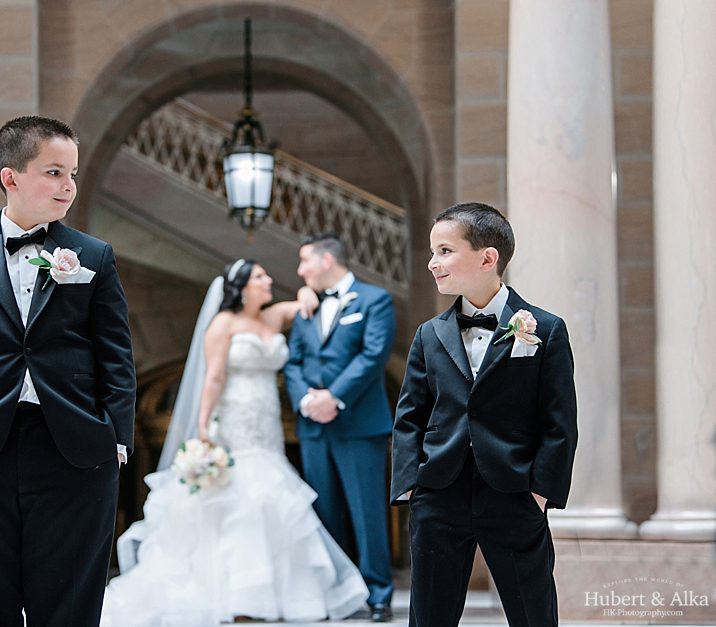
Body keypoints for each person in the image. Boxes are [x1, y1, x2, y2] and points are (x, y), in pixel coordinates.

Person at [0, 116, 136, 626]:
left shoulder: (93, 256)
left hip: (74, 448)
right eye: (54, 172)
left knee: (71, 601)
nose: (69, 186)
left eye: (73, 174)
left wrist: (115, 436)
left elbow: (116, 356)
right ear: (10, 177)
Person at [102, 259, 369, 626]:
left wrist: (307, 290)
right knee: (240, 499)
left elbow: (305, 303)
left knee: (272, 495)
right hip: (233, 417)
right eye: (261, 276)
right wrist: (202, 427)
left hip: (267, 420)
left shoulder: (273, 317)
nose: (269, 280)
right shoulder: (223, 323)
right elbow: (212, 377)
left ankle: (280, 594)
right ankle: (236, 594)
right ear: (242, 286)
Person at [391, 202, 577, 627]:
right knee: (430, 616)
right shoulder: (429, 334)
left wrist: (540, 492)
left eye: (444, 251)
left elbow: (559, 421)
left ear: (487, 258)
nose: (432, 262)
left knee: (533, 613)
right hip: (439, 492)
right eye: (433, 252)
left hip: (514, 492)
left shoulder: (545, 329)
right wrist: (410, 487)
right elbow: (410, 417)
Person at [283, 233, 397, 622]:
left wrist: (333, 396)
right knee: (324, 513)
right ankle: (337, 594)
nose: (300, 271)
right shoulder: (306, 306)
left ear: (327, 260)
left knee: (367, 513)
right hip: (313, 425)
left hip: (359, 423)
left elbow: (373, 355)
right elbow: (293, 361)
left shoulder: (374, 299)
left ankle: (378, 594)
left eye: (305, 262)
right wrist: (306, 401)